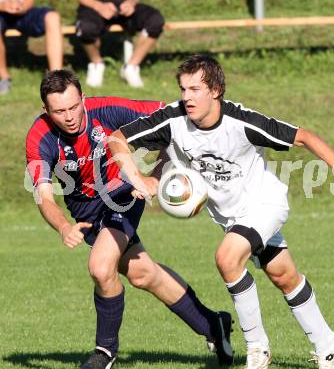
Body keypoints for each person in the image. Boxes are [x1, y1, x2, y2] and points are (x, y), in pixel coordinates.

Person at [108, 54, 334, 369]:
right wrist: (138, 176)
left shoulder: (242, 122)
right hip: (231, 217)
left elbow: (303, 137)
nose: (186, 97)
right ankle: (328, 342)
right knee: (283, 276)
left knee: (227, 259)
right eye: (183, 89)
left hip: (265, 204)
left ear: (215, 89)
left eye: (195, 89)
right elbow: (118, 139)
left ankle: (257, 350)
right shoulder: (172, 120)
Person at [25, 70, 234, 369]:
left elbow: (170, 117)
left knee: (100, 267)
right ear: (47, 111)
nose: (69, 116)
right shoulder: (40, 137)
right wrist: (62, 226)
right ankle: (214, 324)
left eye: (74, 107)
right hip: (84, 213)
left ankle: (105, 352)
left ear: (83, 99)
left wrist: (156, 175)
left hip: (123, 194)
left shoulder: (106, 109)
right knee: (142, 274)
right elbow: (44, 195)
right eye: (59, 111)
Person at [71, 0, 164, 88]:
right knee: (86, 28)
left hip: (121, 3)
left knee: (155, 20)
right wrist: (99, 6)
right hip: (92, 6)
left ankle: (131, 67)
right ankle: (96, 64)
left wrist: (130, 2)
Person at [0, 0, 63, 95]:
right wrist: (3, 5)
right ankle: (4, 78)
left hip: (21, 12)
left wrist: (20, 7)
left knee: (52, 17)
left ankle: (56, 78)